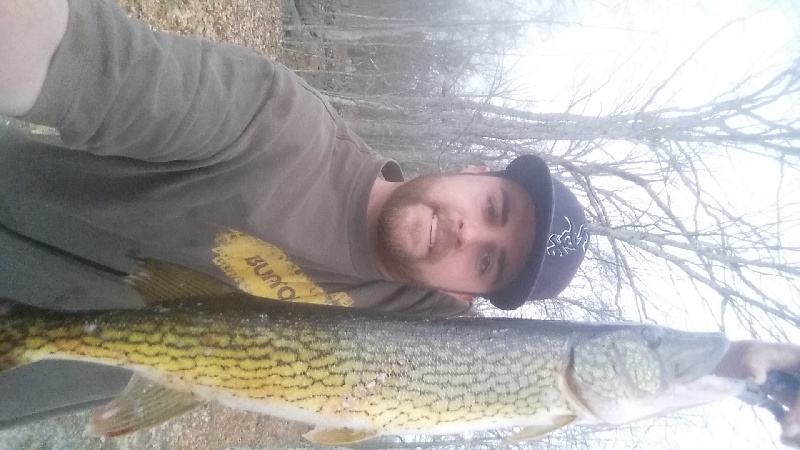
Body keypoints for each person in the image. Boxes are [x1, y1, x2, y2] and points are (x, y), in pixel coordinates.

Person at [1, 0, 799, 445]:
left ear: (469, 298)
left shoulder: (430, 330)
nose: (468, 237)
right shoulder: (269, 123)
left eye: (488, 264)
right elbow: (75, 58)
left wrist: (744, 363)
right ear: (479, 172)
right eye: (494, 212)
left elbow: (688, 380)